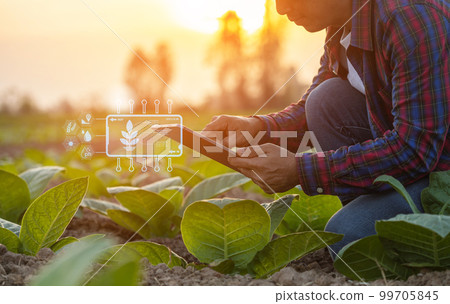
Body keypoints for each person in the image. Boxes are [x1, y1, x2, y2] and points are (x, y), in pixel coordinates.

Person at [203, 0, 449, 258]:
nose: (281, 9)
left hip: (441, 172)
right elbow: (311, 108)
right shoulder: (342, 23)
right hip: (418, 163)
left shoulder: (411, 17)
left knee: (348, 239)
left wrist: (299, 171)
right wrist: (254, 128)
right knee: (325, 98)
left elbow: (415, 149)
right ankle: (383, 209)